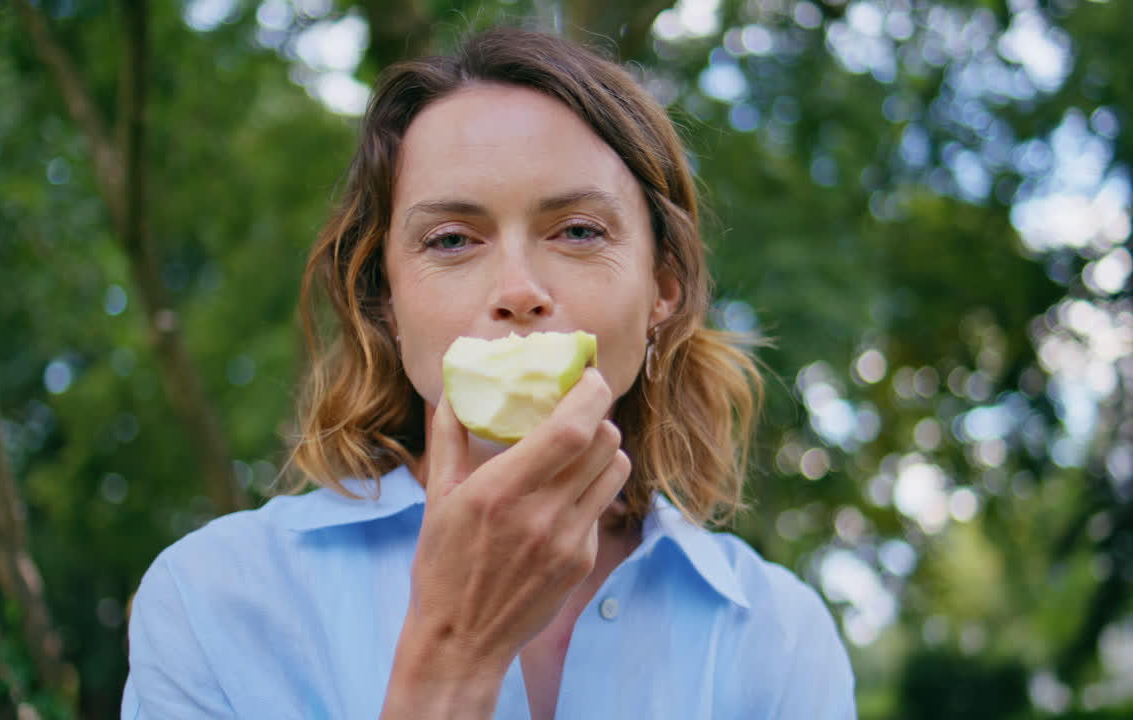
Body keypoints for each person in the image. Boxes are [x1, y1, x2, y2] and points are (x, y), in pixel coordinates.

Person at [121, 26, 855, 719]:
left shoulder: (780, 638)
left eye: (577, 231)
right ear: (386, 302)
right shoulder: (212, 601)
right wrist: (454, 657)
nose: (516, 290)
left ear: (662, 286)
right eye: (450, 240)